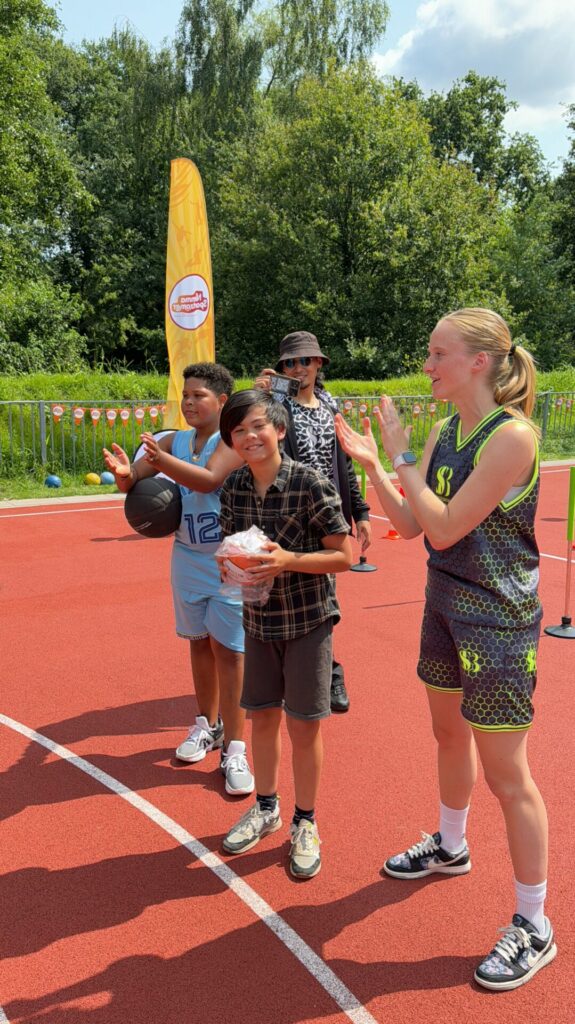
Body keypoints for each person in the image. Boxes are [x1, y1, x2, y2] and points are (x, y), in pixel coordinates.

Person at [335, 308, 556, 990]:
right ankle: (451, 846)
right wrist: (376, 463)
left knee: (507, 775)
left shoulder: (512, 437)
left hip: (497, 623)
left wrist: (400, 456)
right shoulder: (443, 431)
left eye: (438, 353)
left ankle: (534, 924)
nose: (427, 365)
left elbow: (445, 527)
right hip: (443, 608)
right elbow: (408, 523)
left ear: (478, 362)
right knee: (447, 735)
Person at [216, 389, 352, 878]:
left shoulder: (310, 483)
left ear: (279, 429)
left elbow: (344, 555)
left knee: (304, 725)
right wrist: (231, 567)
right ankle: (266, 807)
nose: (249, 437)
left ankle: (306, 821)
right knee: (263, 719)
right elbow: (230, 545)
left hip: (308, 620)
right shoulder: (233, 487)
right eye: (238, 431)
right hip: (257, 620)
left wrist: (288, 560)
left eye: (257, 426)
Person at [102, 363, 254, 797]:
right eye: (185, 395)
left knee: (231, 652)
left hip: (229, 561)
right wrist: (126, 474)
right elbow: (136, 479)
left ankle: (235, 747)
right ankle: (207, 725)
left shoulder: (233, 441)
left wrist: (160, 460)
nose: (188, 402)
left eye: (198, 395)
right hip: (187, 558)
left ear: (221, 401)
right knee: (198, 644)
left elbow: (209, 480)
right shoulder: (172, 441)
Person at [255, 330, 372, 713]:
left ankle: (329, 672)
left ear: (319, 363)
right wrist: (260, 397)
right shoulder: (277, 407)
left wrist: (361, 512)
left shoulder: (330, 405)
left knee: (322, 598)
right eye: (289, 362)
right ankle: (304, 668)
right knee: (284, 594)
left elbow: (345, 462)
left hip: (328, 517)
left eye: (305, 360)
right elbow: (253, 440)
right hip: (288, 516)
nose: (298, 368)